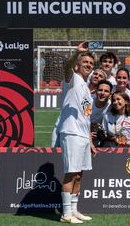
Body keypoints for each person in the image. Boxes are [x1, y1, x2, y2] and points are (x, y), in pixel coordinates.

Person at [57, 42, 96, 224]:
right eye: (85, 62)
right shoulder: (72, 79)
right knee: (70, 173)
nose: (88, 65)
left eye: (91, 63)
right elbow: (66, 66)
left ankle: (74, 210)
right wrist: (76, 52)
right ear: (77, 65)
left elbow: (86, 118)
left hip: (83, 136)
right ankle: (66, 214)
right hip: (71, 133)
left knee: (79, 175)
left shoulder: (87, 89)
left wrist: (91, 141)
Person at [90, 80, 113, 147]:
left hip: (102, 138)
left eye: (106, 91)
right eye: (100, 90)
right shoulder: (88, 102)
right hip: (84, 134)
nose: (102, 93)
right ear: (96, 91)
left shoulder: (112, 106)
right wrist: (87, 134)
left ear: (110, 94)